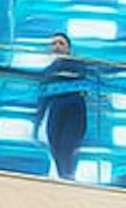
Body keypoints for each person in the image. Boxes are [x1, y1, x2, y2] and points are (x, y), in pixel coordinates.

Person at [35, 33, 90, 179]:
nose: (57, 46)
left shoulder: (79, 65)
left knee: (67, 147)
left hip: (74, 108)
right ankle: (63, 177)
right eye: (54, 44)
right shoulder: (47, 71)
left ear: (68, 48)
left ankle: (68, 177)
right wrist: (37, 121)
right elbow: (43, 98)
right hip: (55, 110)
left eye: (61, 43)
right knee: (55, 146)